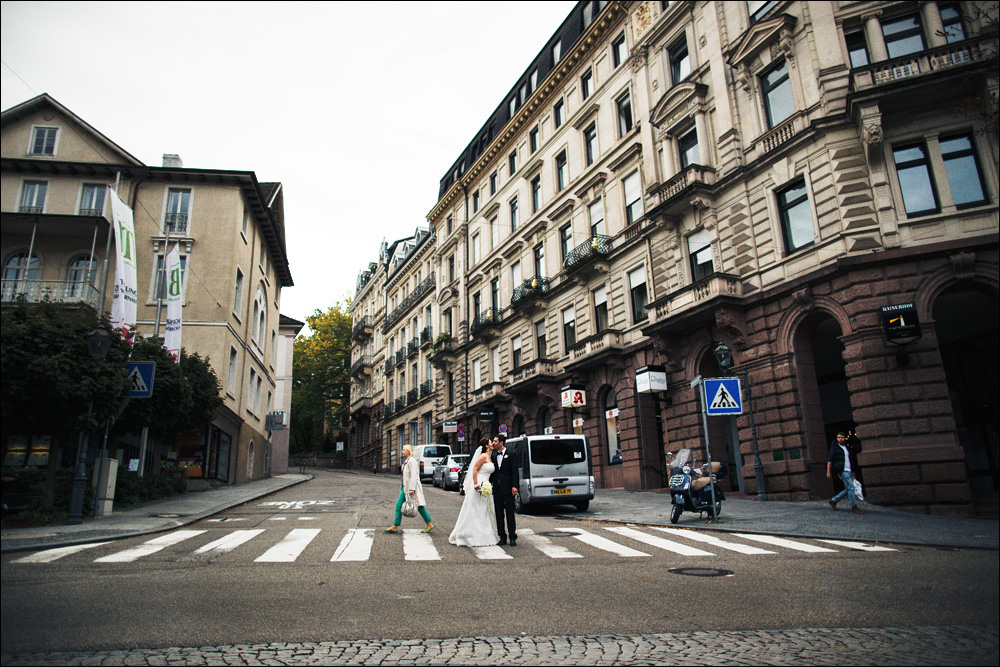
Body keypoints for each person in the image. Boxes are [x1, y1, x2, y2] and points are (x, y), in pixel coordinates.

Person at [448, 437, 500, 547]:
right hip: (478, 486)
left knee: (484, 511)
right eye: (490, 443)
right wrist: (476, 483)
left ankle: (484, 535)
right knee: (475, 510)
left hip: (486, 486)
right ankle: (467, 535)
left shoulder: (490, 456)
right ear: (486, 445)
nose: (492, 444)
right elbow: (475, 469)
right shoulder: (483, 456)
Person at [384, 444, 435, 533]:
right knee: (399, 505)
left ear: (408, 451)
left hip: (412, 488)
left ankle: (429, 523)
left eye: (404, 450)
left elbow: (414, 476)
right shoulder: (407, 461)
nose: (402, 451)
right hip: (405, 488)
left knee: (418, 505)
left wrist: (412, 489)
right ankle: (395, 525)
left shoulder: (412, 461)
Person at [490, 434, 519, 546]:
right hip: (497, 489)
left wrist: (515, 486)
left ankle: (512, 536)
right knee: (498, 513)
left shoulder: (511, 454)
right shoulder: (493, 455)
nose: (493, 443)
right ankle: (502, 536)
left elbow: (515, 472)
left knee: (510, 513)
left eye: (495, 441)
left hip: (508, 488)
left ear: (501, 442)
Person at [827, 431, 863, 515]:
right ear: (837, 439)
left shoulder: (847, 448)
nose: (840, 439)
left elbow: (851, 460)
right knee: (851, 488)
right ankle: (854, 506)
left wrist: (853, 471)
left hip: (849, 470)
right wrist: (828, 471)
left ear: (844, 438)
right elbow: (830, 460)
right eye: (839, 437)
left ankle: (833, 500)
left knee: (848, 488)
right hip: (842, 471)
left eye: (842, 437)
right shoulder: (834, 448)